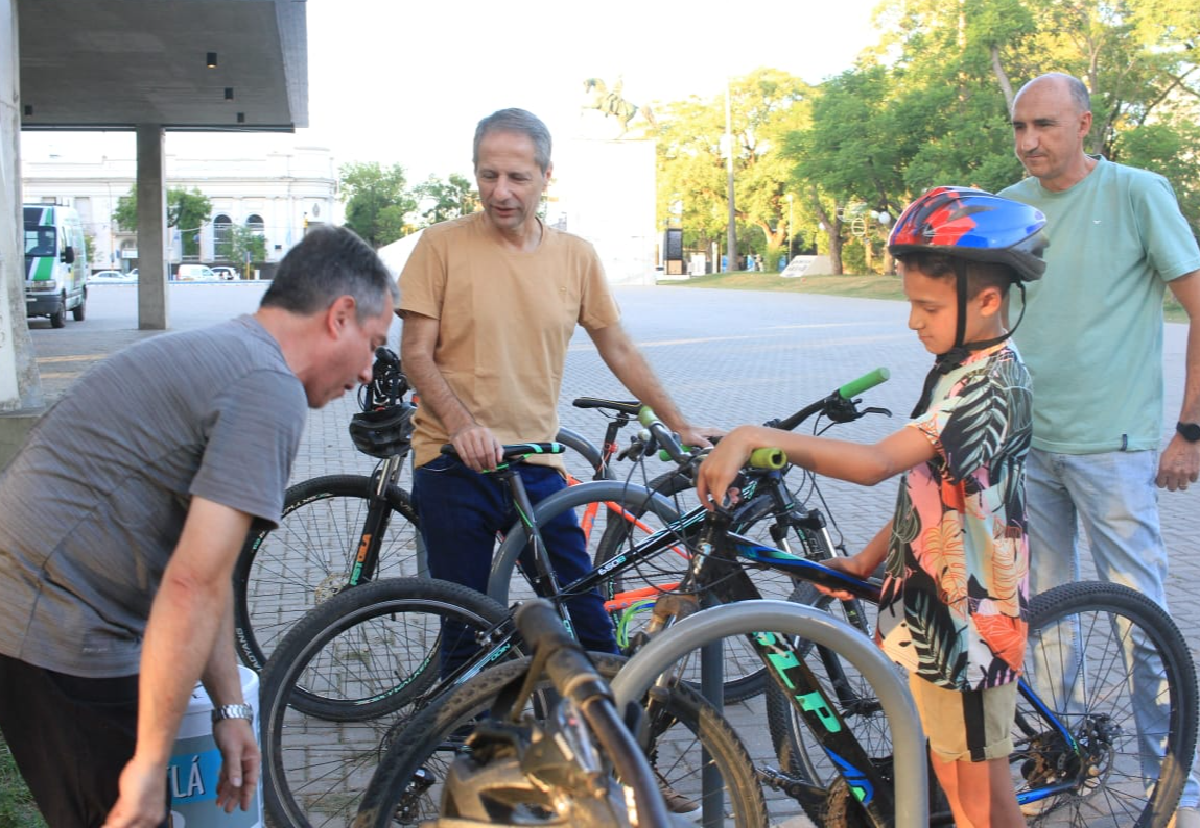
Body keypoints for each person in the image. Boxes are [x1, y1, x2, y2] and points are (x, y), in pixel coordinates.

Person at [0, 227, 396, 828]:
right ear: (340, 316)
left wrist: (230, 708)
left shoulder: (236, 355)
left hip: (47, 608)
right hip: (56, 624)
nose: (370, 371)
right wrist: (148, 766)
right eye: (373, 343)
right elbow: (191, 587)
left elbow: (203, 572)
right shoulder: (268, 389)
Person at [698, 186, 1047, 828]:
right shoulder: (957, 364)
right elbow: (933, 490)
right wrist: (865, 557)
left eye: (927, 306)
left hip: (969, 624)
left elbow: (875, 465)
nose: (913, 321)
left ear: (989, 299)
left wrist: (757, 434)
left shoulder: (986, 382)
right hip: (935, 612)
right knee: (953, 771)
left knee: (984, 808)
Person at [398, 107, 712, 668]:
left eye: (517, 178)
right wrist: (464, 425)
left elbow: (619, 348)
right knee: (465, 627)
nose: (501, 192)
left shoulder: (576, 257)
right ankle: (459, 737)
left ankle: (603, 733)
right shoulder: (439, 246)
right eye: (488, 175)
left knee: (583, 611)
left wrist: (678, 421)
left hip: (536, 464)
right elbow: (416, 354)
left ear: (546, 176)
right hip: (451, 461)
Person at [999, 72, 1200, 826]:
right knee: (1045, 621)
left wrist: (1189, 430)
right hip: (1027, 445)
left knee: (1140, 621)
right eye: (1020, 127)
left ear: (1085, 123)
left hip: (1112, 448)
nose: (1029, 142)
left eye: (1044, 125)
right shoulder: (1010, 207)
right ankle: (1068, 766)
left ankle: (1176, 787)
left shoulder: (1137, 192)